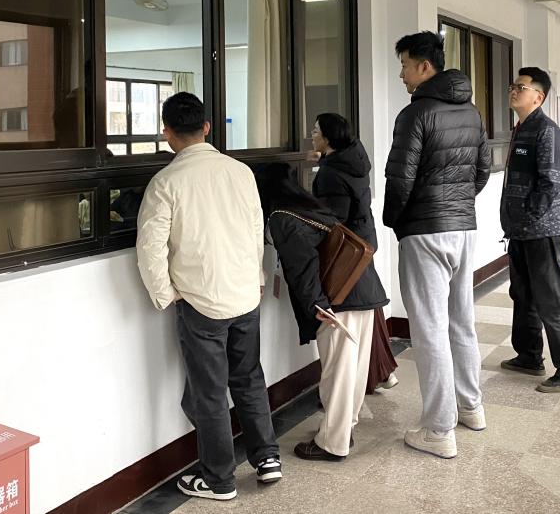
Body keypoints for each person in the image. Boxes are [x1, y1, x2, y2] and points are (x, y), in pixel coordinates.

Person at [136, 92, 280, 502]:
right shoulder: (240, 172)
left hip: (200, 302)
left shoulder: (166, 183)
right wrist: (256, 277)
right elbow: (256, 229)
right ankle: (267, 458)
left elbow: (150, 248)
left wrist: (167, 295)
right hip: (244, 294)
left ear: (166, 133)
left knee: (210, 393)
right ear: (206, 127)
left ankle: (219, 480)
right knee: (249, 378)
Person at [383, 30, 491, 459]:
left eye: (405, 66)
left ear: (424, 67)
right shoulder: (472, 111)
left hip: (425, 230)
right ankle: (471, 408)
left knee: (429, 329)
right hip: (464, 228)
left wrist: (396, 221)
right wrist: (458, 203)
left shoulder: (416, 114)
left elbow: (400, 180)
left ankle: (439, 429)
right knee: (460, 321)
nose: (401, 75)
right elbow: (482, 171)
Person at [256, 162, 389, 462]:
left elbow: (302, 266)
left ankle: (332, 443)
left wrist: (317, 304)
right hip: (363, 288)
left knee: (337, 374)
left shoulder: (282, 217)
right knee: (352, 371)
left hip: (337, 301)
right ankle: (344, 429)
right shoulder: (310, 206)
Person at [499, 67, 560, 392]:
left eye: (521, 87)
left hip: (542, 230)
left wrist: (529, 216)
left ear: (539, 96)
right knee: (522, 295)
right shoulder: (522, 128)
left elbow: (552, 182)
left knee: (551, 300)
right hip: (520, 230)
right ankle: (529, 356)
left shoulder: (546, 130)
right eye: (513, 85)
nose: (514, 90)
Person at [309, 112, 399, 394]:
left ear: (328, 138)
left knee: (355, 311)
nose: (312, 135)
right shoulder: (353, 160)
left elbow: (333, 218)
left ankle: (371, 376)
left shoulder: (331, 173)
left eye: (316, 131)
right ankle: (383, 371)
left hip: (346, 251)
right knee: (368, 306)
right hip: (363, 241)